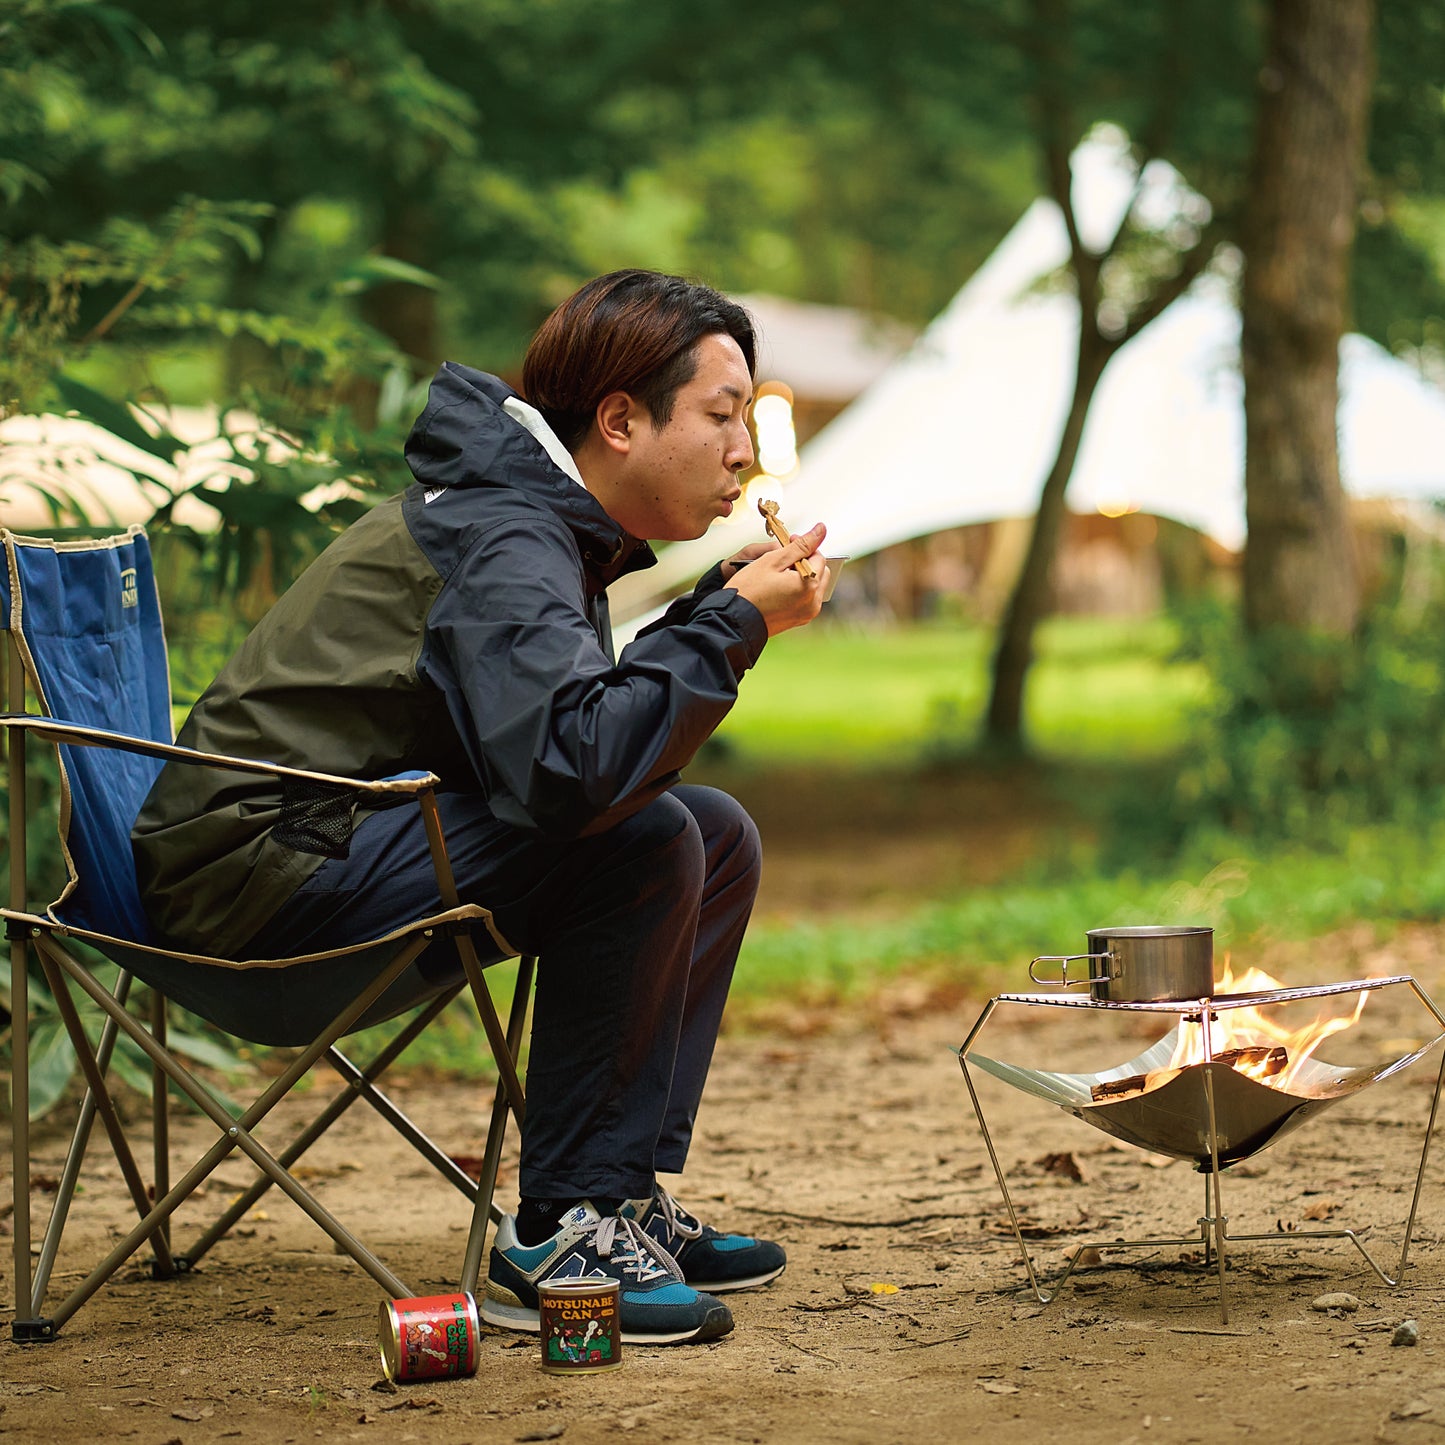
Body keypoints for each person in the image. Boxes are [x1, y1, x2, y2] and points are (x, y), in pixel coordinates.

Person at [132, 268, 830, 1347]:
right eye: (721, 413)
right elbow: (570, 770)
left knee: (715, 831)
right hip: (253, 886)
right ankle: (562, 1232)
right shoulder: (506, 534)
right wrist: (728, 628)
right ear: (620, 420)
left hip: (318, 851)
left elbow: (545, 736)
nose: (744, 448)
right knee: (643, 834)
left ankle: (619, 1193)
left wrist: (708, 610)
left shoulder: (525, 521)